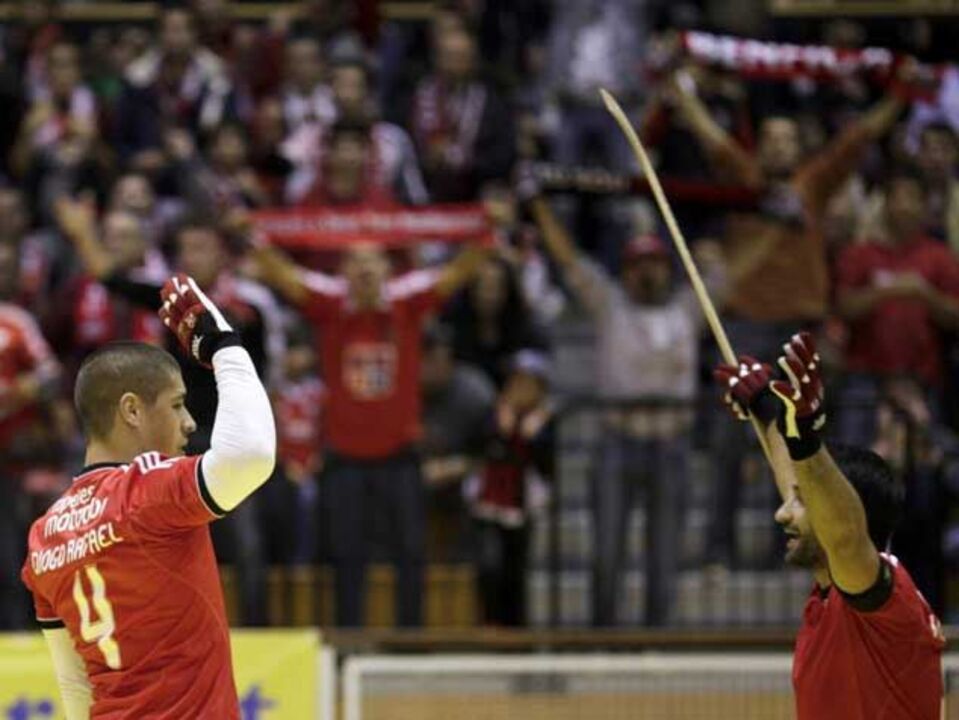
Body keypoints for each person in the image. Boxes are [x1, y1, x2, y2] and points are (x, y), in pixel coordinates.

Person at [20, 274, 275, 718]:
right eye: (177, 405)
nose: (190, 423)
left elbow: (74, 683)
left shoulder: (44, 537)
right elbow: (250, 455)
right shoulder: (146, 490)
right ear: (132, 410)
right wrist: (226, 347)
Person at [251, 233, 491, 626]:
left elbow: (456, 274)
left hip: (400, 455)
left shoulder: (407, 303)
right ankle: (350, 645)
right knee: (347, 554)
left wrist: (487, 232)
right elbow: (283, 276)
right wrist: (252, 236)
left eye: (373, 261)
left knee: (411, 552)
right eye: (355, 261)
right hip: (344, 457)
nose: (364, 269)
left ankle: (408, 646)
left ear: (387, 270)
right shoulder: (329, 305)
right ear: (344, 271)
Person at [714, 332, 943, 719]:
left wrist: (805, 438)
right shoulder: (833, 591)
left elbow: (844, 531)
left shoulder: (881, 597)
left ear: (852, 514)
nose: (782, 514)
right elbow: (796, 478)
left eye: (801, 502)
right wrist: (768, 406)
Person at [530, 191, 724, 626]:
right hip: (618, 440)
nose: (648, 272)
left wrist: (721, 254)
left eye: (655, 263)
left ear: (667, 269)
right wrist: (540, 208)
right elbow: (569, 260)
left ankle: (656, 636)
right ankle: (604, 635)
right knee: (607, 547)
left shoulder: (686, 308)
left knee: (666, 551)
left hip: (671, 442)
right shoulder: (609, 303)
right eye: (639, 265)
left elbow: (736, 273)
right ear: (627, 271)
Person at [835, 167, 959, 446]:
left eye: (912, 198)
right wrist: (885, 291)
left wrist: (925, 294)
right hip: (863, 380)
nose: (904, 206)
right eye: (897, 198)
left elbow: (955, 315)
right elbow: (843, 308)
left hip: (920, 381)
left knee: (924, 476)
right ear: (885, 203)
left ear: (925, 207)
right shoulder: (859, 254)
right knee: (854, 471)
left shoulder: (940, 257)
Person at [469, 349, 555, 626]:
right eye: (515, 382)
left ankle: (517, 632)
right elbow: (482, 449)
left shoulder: (543, 424)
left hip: (523, 506)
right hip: (489, 503)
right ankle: (489, 626)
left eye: (527, 384)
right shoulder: (491, 415)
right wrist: (502, 432)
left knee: (516, 571)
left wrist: (532, 437)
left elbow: (545, 465)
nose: (519, 390)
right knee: (489, 565)